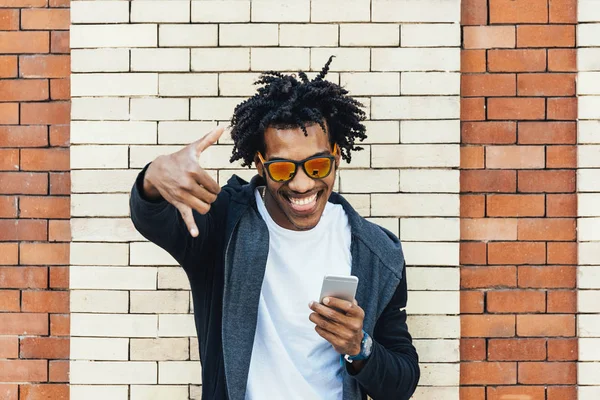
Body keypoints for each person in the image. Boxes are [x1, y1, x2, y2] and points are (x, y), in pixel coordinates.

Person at [129, 57, 420, 400]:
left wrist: (360, 347)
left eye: (316, 165)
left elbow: (402, 383)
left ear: (336, 156)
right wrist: (153, 177)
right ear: (260, 164)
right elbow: (153, 217)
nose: (301, 185)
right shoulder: (223, 224)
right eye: (283, 169)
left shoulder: (377, 252)